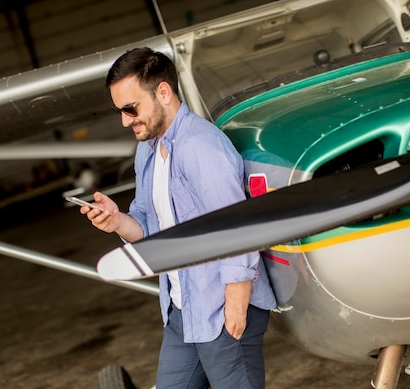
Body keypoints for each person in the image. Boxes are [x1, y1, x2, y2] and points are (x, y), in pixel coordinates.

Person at [81, 47, 277, 389]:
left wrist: (236, 306)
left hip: (222, 309)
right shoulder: (148, 148)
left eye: (130, 109)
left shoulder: (200, 146)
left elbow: (236, 225)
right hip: (183, 308)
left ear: (163, 92)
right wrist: (116, 221)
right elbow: (150, 226)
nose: (125, 121)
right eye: (119, 111)